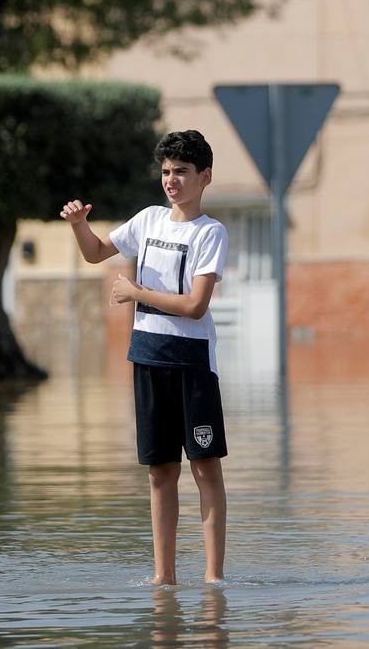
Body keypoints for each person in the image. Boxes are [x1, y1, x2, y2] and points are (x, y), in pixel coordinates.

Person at [60, 130, 230, 585]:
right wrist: (79, 225)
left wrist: (136, 293)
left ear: (204, 177)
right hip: (148, 356)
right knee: (160, 471)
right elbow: (97, 253)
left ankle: (213, 579)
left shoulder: (211, 232)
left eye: (181, 172)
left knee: (204, 466)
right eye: (166, 172)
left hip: (192, 360)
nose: (171, 180)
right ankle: (164, 577)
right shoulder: (148, 220)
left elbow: (196, 306)